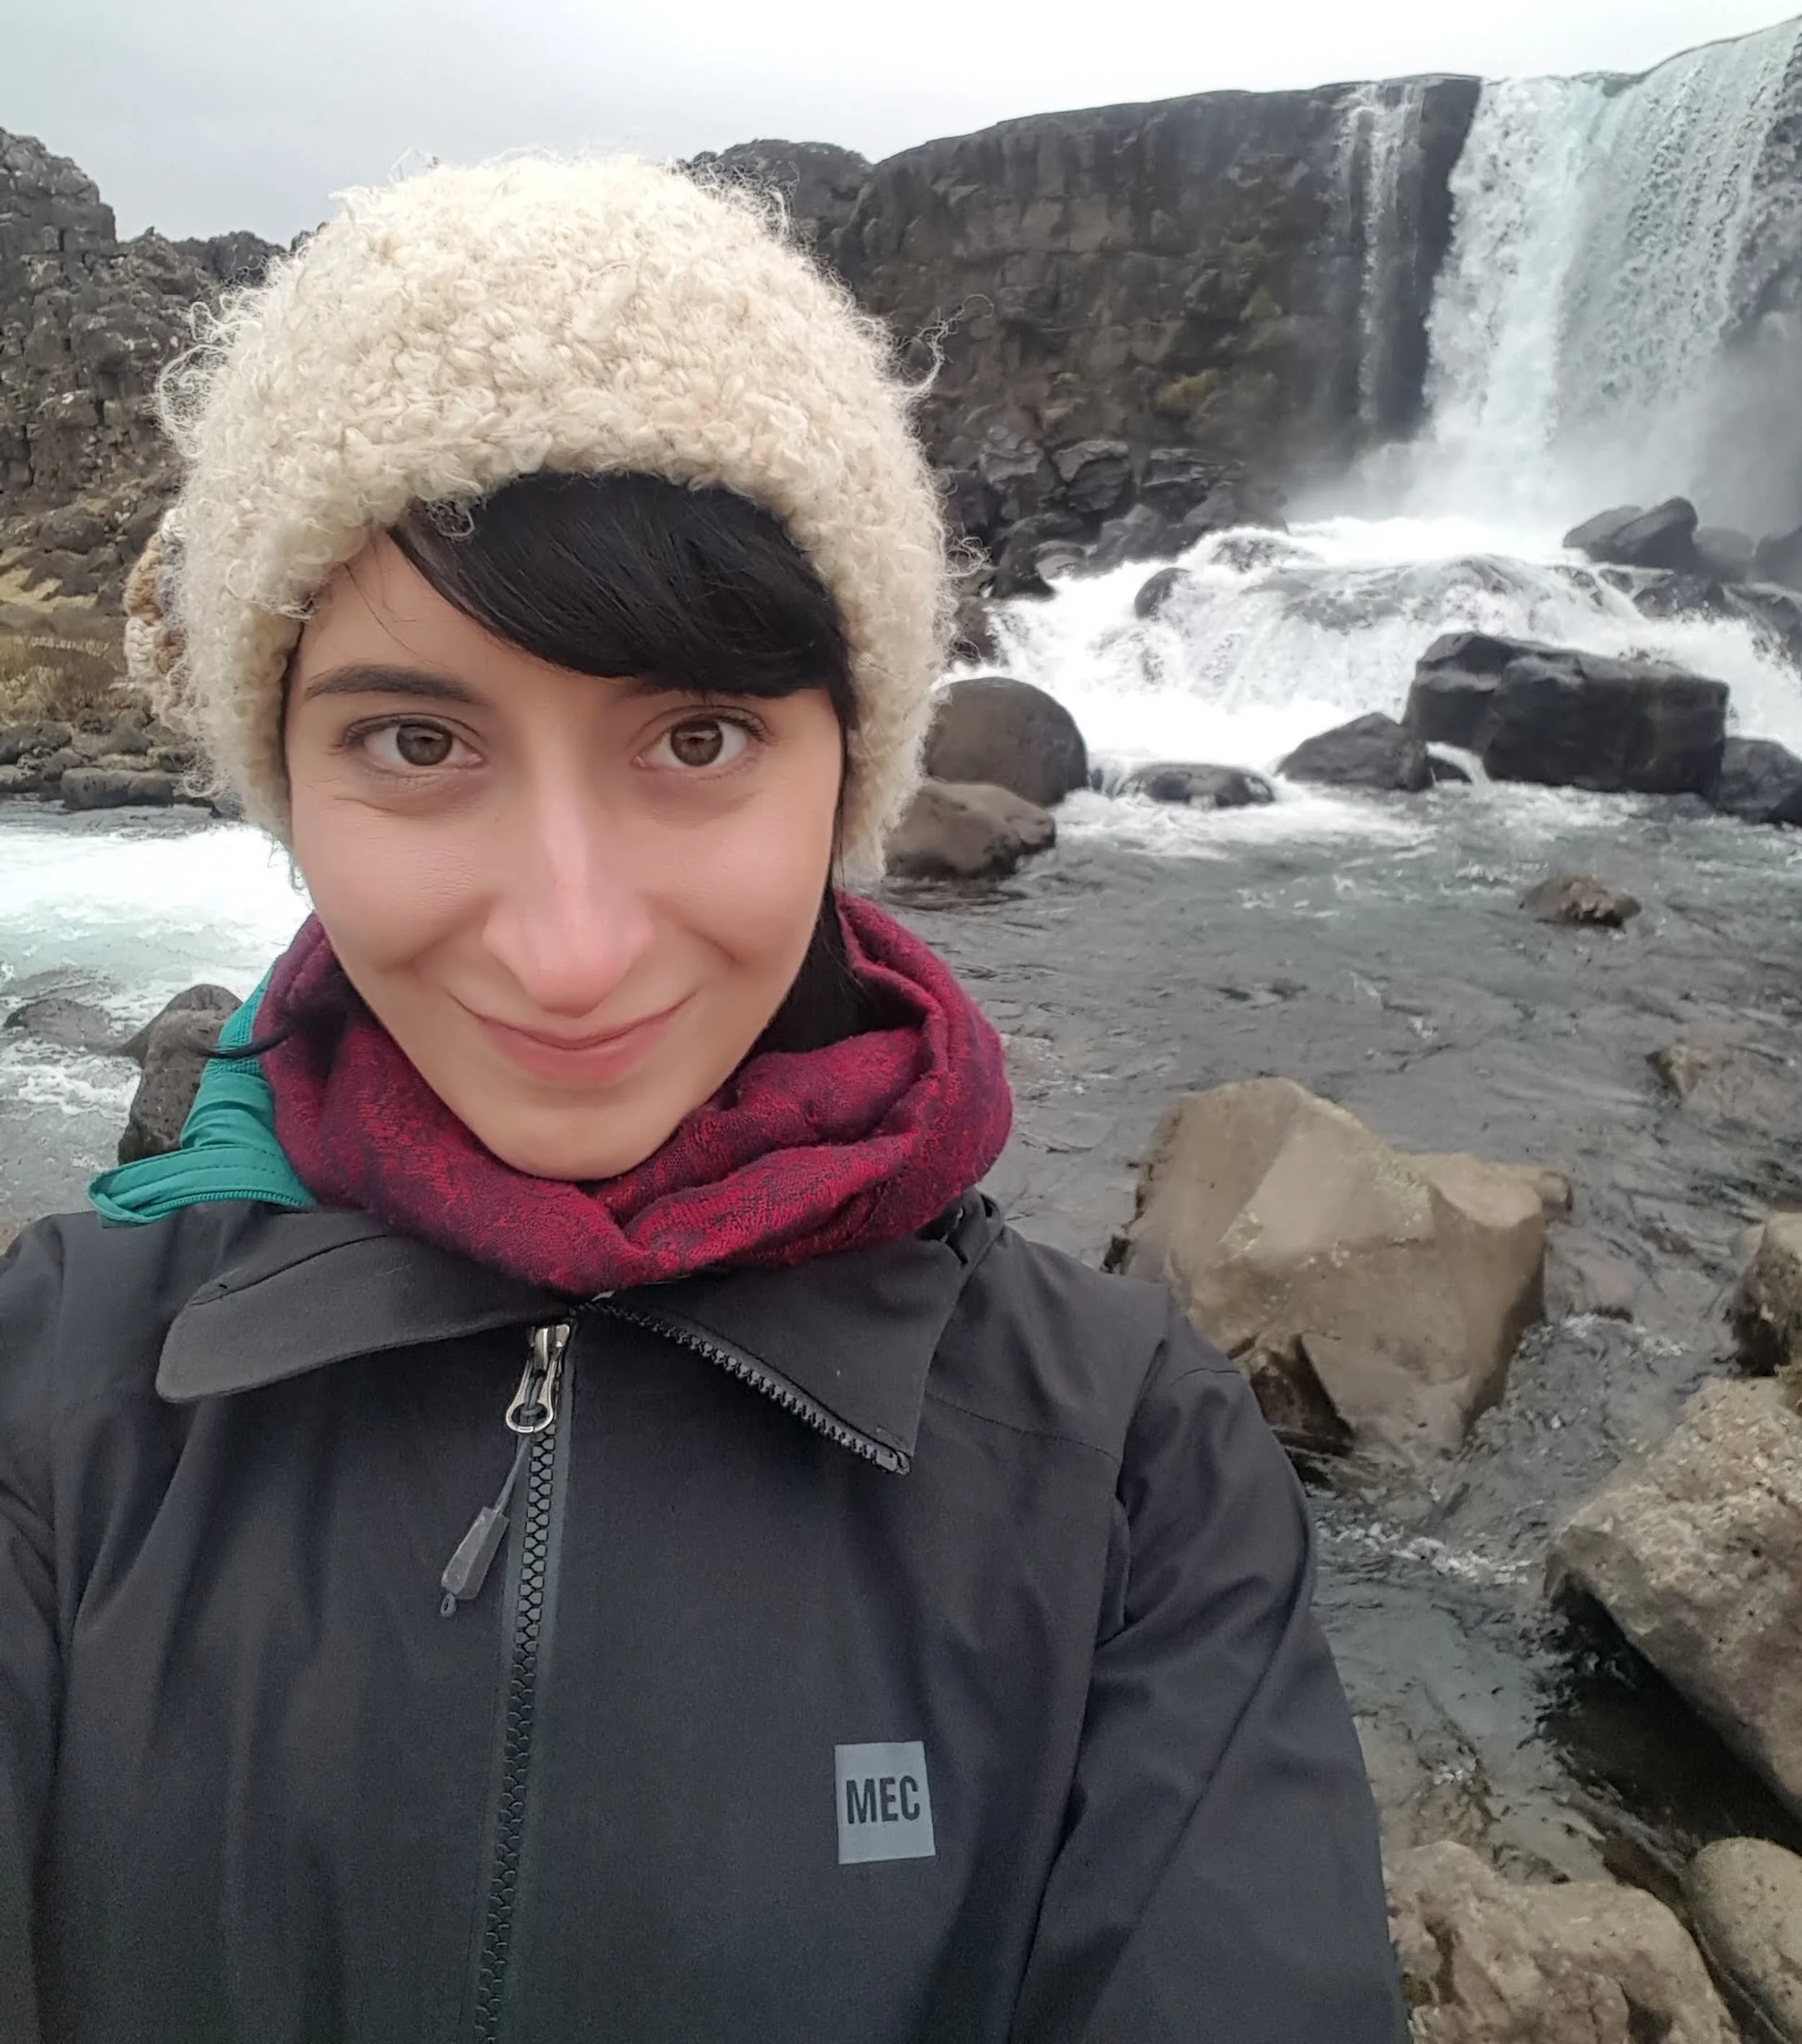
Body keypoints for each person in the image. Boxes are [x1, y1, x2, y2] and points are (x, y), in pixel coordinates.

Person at [0, 156, 1404, 2043]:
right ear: (282, 776)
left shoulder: (1135, 1473)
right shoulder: (50, 1402)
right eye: (416, 742)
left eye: (697, 736)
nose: (570, 950)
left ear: (848, 772)